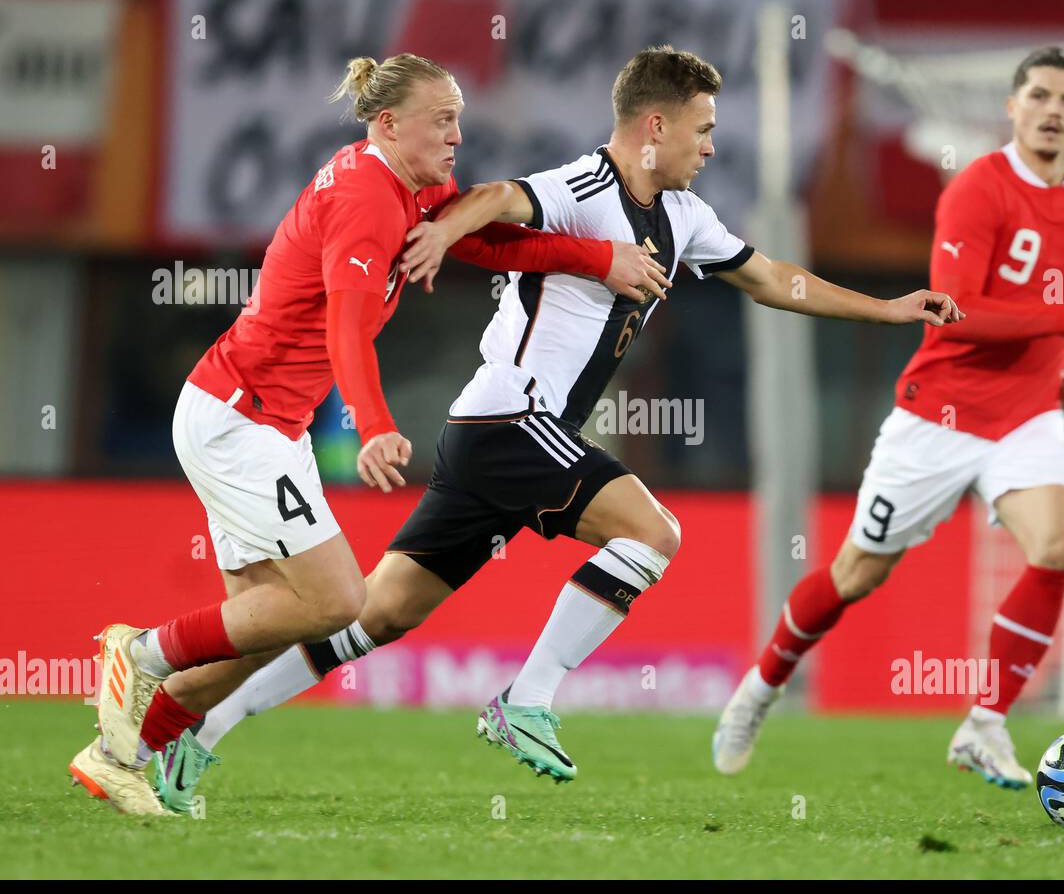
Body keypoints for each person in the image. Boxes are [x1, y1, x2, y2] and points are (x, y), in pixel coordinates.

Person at [147, 44, 959, 808]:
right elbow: (502, 197)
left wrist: (887, 309)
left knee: (376, 614)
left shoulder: (684, 217)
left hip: (490, 434)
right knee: (653, 532)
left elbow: (775, 278)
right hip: (513, 420)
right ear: (657, 127)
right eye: (703, 129)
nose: (710, 146)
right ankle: (524, 699)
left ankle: (202, 727)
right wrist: (446, 228)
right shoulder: (585, 184)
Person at [70, 52, 669, 815]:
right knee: (337, 601)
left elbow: (487, 244)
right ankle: (138, 653)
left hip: (260, 420)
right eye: (442, 119)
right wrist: (377, 426)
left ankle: (119, 752)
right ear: (388, 124)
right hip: (241, 417)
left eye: (459, 117)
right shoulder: (364, 197)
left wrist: (598, 258)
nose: (458, 135)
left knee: (252, 633)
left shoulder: (405, 185)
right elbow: (346, 329)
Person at [712, 46, 1064, 789]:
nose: (1053, 111)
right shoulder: (977, 190)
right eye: (1039, 95)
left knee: (1060, 544)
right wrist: (1060, 318)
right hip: (940, 414)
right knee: (854, 573)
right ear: (1013, 108)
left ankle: (985, 724)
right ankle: (761, 686)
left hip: (1028, 414)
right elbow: (955, 313)